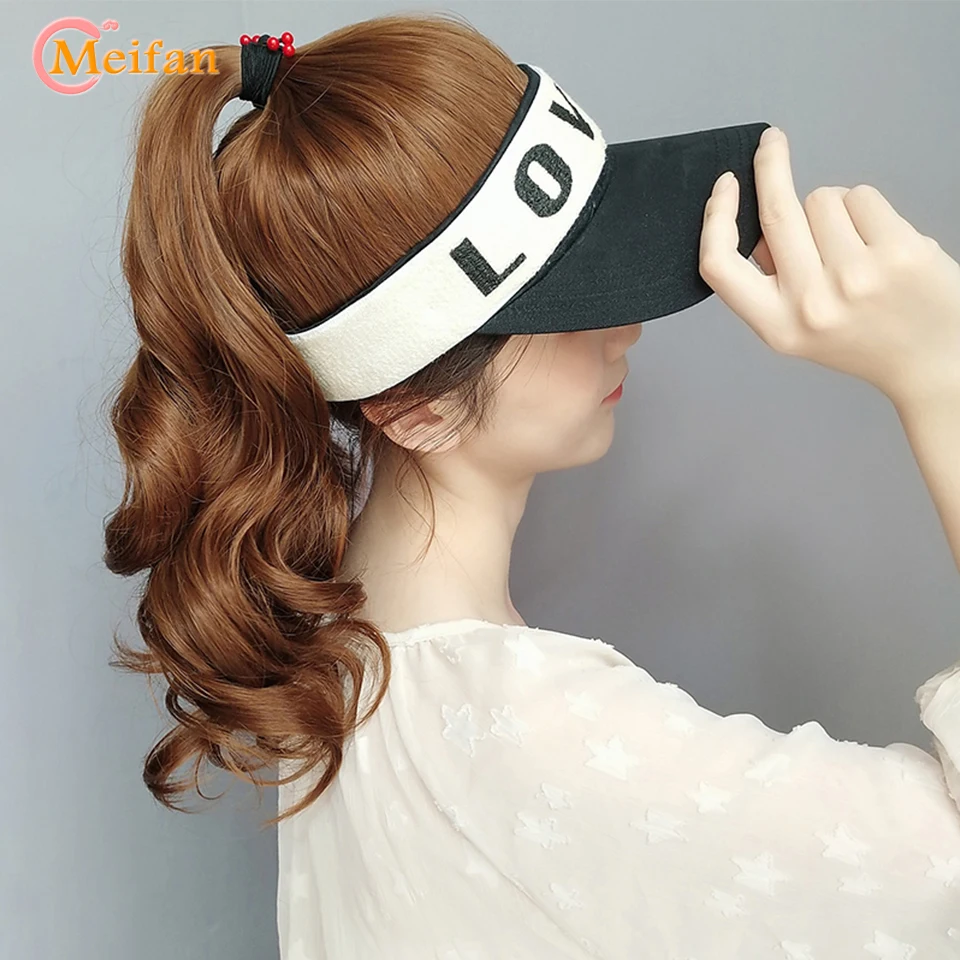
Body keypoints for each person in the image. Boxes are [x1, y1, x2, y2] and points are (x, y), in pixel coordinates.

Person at [103, 11, 960, 959]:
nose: (626, 329)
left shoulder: (340, 672)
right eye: (570, 303)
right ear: (411, 407)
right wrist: (942, 373)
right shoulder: (522, 731)